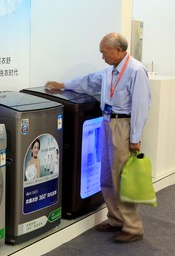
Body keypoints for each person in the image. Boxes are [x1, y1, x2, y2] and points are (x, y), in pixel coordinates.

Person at [46, 32, 151, 243]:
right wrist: (62, 85)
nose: (102, 56)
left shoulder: (135, 71)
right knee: (107, 176)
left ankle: (133, 227)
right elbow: (88, 81)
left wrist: (135, 137)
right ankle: (115, 219)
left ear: (119, 51)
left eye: (105, 52)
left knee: (122, 178)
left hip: (123, 125)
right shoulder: (109, 71)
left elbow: (141, 105)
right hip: (106, 123)